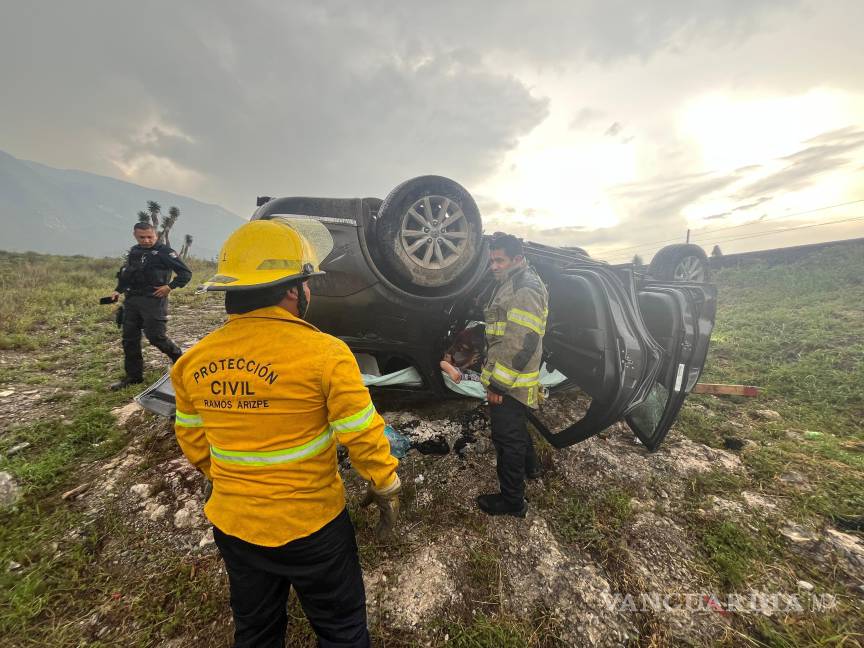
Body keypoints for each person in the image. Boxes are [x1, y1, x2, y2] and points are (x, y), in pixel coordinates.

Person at [171, 218, 400, 648]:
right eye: (308, 282)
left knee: (255, 631)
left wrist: (235, 484)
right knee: (341, 631)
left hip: (236, 526)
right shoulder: (326, 354)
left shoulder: (192, 363)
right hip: (313, 526)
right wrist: (386, 483)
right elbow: (362, 433)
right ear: (294, 289)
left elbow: (193, 442)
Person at [478, 233, 549, 517]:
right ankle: (532, 468)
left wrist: (498, 384)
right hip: (513, 380)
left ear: (517, 259)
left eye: (500, 260)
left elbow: (521, 340)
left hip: (511, 382)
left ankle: (512, 502)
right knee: (517, 430)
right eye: (491, 260)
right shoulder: (514, 280)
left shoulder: (524, 288)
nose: (493, 266)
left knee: (508, 440)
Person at [109, 222, 192, 390]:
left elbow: (185, 273)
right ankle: (134, 376)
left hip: (154, 300)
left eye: (150, 237)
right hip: (132, 300)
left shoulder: (165, 252)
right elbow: (127, 274)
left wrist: (169, 287)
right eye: (142, 237)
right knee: (129, 339)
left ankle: (180, 359)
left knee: (156, 336)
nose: (146, 240)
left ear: (156, 235)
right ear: (135, 235)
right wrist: (118, 290)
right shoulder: (134, 251)